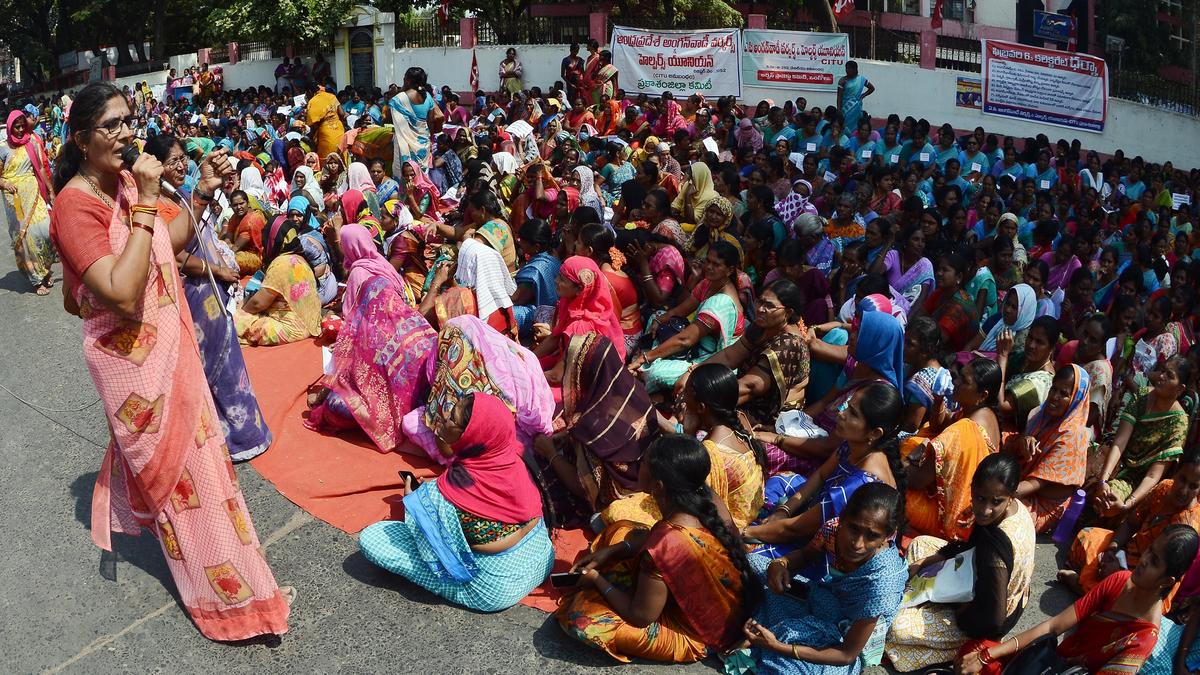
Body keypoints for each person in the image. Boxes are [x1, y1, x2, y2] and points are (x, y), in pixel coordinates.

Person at [48, 81, 290, 641]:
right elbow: (125, 292)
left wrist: (197, 195)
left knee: (213, 477)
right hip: (135, 375)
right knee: (186, 491)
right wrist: (148, 203)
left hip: (173, 350)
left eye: (129, 120)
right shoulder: (74, 205)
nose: (127, 133)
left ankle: (250, 584)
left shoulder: (133, 182)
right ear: (83, 140)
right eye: (111, 125)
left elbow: (170, 239)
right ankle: (226, 604)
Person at [555, 434, 753, 663]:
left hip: (698, 637)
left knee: (582, 619)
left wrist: (597, 580)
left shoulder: (664, 543)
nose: (638, 468)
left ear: (658, 486)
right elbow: (652, 538)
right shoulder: (705, 497)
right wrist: (615, 550)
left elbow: (640, 617)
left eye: (644, 465)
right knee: (622, 530)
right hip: (727, 609)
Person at [359, 393, 555, 612]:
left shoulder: (441, 495)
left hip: (493, 590)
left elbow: (431, 542)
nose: (444, 417)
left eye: (452, 418)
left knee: (373, 539)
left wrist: (413, 502)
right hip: (542, 561)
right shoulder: (515, 462)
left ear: (470, 435)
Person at [146, 134, 271, 463]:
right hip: (195, 294)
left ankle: (249, 433)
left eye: (181, 159)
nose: (180, 166)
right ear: (155, 168)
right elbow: (176, 255)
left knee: (230, 360)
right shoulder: (154, 208)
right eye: (171, 162)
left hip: (212, 293)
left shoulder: (184, 195)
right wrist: (216, 271)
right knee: (209, 366)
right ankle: (228, 438)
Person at [957, 525, 1199, 675]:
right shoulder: (1120, 581)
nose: (1144, 560)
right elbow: (1053, 626)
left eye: (1155, 561)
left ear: (1167, 582)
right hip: (1048, 661)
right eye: (1149, 551)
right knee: (974, 652)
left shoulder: (1143, 640)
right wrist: (986, 656)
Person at [885, 454, 1036, 672]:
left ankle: (949, 647)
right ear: (972, 488)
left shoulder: (994, 547)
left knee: (898, 627)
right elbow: (971, 546)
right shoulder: (1013, 509)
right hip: (978, 574)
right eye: (980, 498)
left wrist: (960, 610)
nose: (984, 510)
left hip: (989, 614)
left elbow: (994, 620)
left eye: (996, 502)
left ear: (1011, 496)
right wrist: (929, 561)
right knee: (920, 544)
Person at [743, 482, 908, 674]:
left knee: (791, 670)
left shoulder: (882, 583)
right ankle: (777, 630)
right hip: (827, 600)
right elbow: (805, 555)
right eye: (854, 528)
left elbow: (846, 655)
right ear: (844, 517)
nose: (857, 543)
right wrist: (780, 564)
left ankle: (771, 634)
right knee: (752, 564)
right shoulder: (833, 530)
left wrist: (777, 646)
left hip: (847, 636)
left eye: (872, 536)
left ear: (887, 536)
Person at [745, 381, 905, 556]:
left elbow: (797, 529)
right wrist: (785, 510)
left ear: (874, 433)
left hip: (833, 551)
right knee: (779, 482)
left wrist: (745, 533)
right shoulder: (855, 445)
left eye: (853, 413)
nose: (842, 414)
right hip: (815, 513)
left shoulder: (862, 481)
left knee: (750, 553)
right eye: (848, 406)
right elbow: (821, 475)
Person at [602, 363, 766, 530]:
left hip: (730, 521)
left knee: (616, 512)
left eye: (686, 394)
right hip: (746, 509)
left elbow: (690, 496)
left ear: (701, 407)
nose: (681, 399)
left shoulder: (712, 451)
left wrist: (688, 432)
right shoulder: (740, 418)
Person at [1061, 449, 1200, 612]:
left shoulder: (1188, 525)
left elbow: (1160, 580)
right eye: (1182, 479)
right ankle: (1096, 593)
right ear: (1176, 472)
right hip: (1130, 553)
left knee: (1131, 602)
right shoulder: (1164, 488)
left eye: (1193, 486)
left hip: (1149, 578)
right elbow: (1131, 523)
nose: (1183, 490)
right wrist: (1112, 549)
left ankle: (1090, 591)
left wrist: (1121, 573)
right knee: (1087, 536)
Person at [679, 279, 811, 428]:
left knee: (695, 421)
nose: (760, 309)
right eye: (760, 302)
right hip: (741, 396)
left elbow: (750, 387)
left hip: (766, 416)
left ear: (788, 312)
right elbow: (730, 355)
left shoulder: (789, 344)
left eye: (769, 306)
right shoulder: (762, 326)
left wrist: (698, 397)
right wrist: (694, 372)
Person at [905, 358, 1003, 541]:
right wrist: (938, 400)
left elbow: (916, 480)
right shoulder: (978, 411)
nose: (955, 383)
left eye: (964, 381)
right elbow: (939, 425)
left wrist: (907, 459)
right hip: (965, 508)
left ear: (982, 395)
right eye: (958, 377)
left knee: (890, 488)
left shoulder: (968, 427)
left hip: (952, 519)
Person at [632, 241, 745, 393]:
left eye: (716, 264)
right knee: (656, 315)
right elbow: (681, 309)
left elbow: (686, 339)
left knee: (655, 372)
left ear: (730, 270)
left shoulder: (722, 302)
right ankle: (649, 361)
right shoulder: (707, 283)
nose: (709, 267)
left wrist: (646, 357)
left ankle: (646, 368)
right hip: (696, 342)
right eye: (708, 261)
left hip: (712, 359)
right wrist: (660, 319)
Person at [1093, 356, 1192, 519]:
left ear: (1180, 389)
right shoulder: (1143, 395)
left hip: (1136, 480)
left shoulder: (1179, 424)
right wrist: (1102, 480)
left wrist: (1126, 505)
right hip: (1114, 461)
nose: (1161, 376)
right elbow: (1120, 443)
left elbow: (1153, 476)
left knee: (1110, 501)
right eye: (1162, 371)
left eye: (1169, 375)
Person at [1011, 364, 1092, 533]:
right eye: (1054, 389)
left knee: (998, 515)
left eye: (1063, 394)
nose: (1054, 397)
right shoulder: (1041, 416)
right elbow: (1017, 448)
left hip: (1042, 506)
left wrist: (997, 496)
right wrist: (1024, 441)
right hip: (1023, 486)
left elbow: (1034, 484)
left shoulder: (1073, 436)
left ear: (1076, 399)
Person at [234, 215, 322, 346]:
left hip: (292, 329)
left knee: (236, 323)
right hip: (310, 321)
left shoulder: (281, 264)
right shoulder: (300, 258)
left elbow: (258, 303)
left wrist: (242, 313)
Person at [534, 255, 625, 366]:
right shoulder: (568, 301)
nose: (556, 280)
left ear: (580, 289)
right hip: (567, 364)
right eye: (559, 276)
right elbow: (555, 337)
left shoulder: (581, 326)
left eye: (562, 279)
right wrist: (528, 358)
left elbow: (557, 375)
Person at [1, 108, 55, 293]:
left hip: (34, 193)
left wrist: (50, 189)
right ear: (10, 127)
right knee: (26, 239)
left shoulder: (31, 142)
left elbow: (40, 168)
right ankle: (37, 279)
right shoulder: (2, 148)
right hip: (14, 199)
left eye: (22, 126)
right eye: (16, 127)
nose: (20, 130)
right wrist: (5, 184)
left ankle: (46, 269)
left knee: (45, 231)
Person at [389, 66, 443, 172]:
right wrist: (429, 140)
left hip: (404, 145)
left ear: (408, 80)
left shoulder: (398, 100)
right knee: (422, 174)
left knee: (405, 174)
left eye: (404, 78)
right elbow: (431, 122)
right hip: (423, 144)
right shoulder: (428, 97)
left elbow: (391, 120)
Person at [304, 83, 345, 159]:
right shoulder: (332, 96)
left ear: (309, 92)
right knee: (341, 155)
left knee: (327, 158)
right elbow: (342, 113)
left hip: (325, 133)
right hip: (339, 129)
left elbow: (312, 125)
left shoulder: (313, 101)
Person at [837, 61, 874, 136]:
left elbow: (872, 88)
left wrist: (863, 95)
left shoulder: (861, 79)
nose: (847, 70)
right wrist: (839, 110)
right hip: (845, 108)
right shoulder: (842, 81)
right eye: (846, 68)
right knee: (845, 127)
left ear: (855, 69)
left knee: (856, 127)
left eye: (849, 68)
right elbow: (839, 97)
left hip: (856, 108)